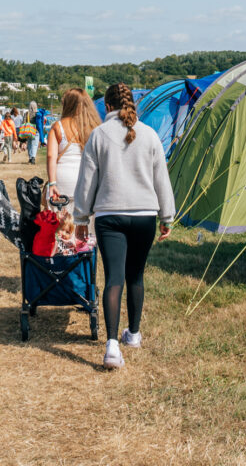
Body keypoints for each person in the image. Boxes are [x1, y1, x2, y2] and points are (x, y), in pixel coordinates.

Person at [72, 83, 175, 371]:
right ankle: (134, 334)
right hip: (145, 215)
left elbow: (87, 180)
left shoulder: (99, 135)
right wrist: (167, 216)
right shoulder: (151, 135)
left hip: (110, 215)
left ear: (106, 107)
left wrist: (81, 218)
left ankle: (112, 346)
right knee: (136, 276)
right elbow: (161, 179)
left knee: (114, 278)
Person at [46, 89, 100, 203]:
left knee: (61, 218)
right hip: (87, 180)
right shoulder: (94, 126)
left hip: (62, 180)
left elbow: (51, 156)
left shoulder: (58, 126)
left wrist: (52, 183)